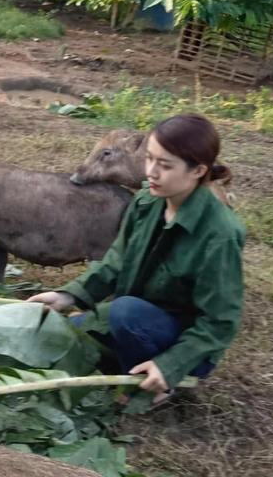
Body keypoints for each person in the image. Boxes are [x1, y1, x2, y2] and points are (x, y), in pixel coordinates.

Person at [28, 113, 246, 403]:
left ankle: (159, 385)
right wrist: (69, 296)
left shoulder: (219, 234)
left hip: (185, 341)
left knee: (124, 312)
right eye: (150, 159)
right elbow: (116, 261)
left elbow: (220, 322)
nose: (152, 172)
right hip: (139, 317)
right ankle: (129, 362)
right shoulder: (146, 202)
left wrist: (170, 365)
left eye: (165, 165)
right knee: (65, 334)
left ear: (197, 170)